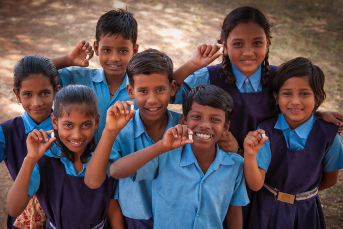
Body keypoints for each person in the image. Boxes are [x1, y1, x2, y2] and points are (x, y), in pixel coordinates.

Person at [173, 6, 343, 155]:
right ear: (224, 45)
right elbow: (168, 94)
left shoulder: (281, 78)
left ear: (267, 43)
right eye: (238, 44)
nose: (248, 52)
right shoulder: (207, 77)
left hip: (266, 171)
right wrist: (192, 64)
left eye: (257, 43)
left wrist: (317, 114)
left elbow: (295, 107)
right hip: (217, 167)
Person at [110, 85, 250, 229]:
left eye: (215, 119)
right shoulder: (165, 156)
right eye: (196, 117)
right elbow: (116, 170)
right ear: (183, 120)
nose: (205, 125)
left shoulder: (234, 165)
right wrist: (161, 147)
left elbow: (234, 213)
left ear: (226, 127)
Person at [243, 57, 343, 229]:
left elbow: (330, 180)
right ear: (276, 97)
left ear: (317, 99)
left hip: (306, 212)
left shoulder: (330, 137)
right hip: (264, 209)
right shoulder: (265, 132)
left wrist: (301, 195)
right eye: (287, 93)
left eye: (304, 93)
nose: (295, 101)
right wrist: (250, 155)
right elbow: (256, 183)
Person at [84, 49, 178, 229]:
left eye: (160, 90)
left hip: (178, 218)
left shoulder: (182, 127)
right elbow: (93, 181)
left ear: (172, 88)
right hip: (136, 221)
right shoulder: (121, 131)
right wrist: (110, 132)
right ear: (130, 91)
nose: (152, 100)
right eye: (143, 91)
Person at [6, 85, 120, 229]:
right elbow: (13, 209)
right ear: (54, 121)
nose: (77, 135)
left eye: (85, 125)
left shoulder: (107, 156)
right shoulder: (45, 159)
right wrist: (30, 159)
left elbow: (112, 206)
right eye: (68, 125)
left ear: (97, 121)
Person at [51, 9, 139, 142]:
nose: (114, 58)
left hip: (124, 161)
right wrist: (68, 60)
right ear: (96, 48)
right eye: (107, 50)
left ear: (135, 50)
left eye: (123, 50)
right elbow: (33, 71)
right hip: (82, 160)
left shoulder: (141, 89)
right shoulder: (79, 78)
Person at [0, 55, 59, 229]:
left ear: (56, 90)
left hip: (60, 218)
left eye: (45, 93)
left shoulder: (70, 130)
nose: (37, 102)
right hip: (23, 218)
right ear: (17, 95)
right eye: (27, 94)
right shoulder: (6, 132)